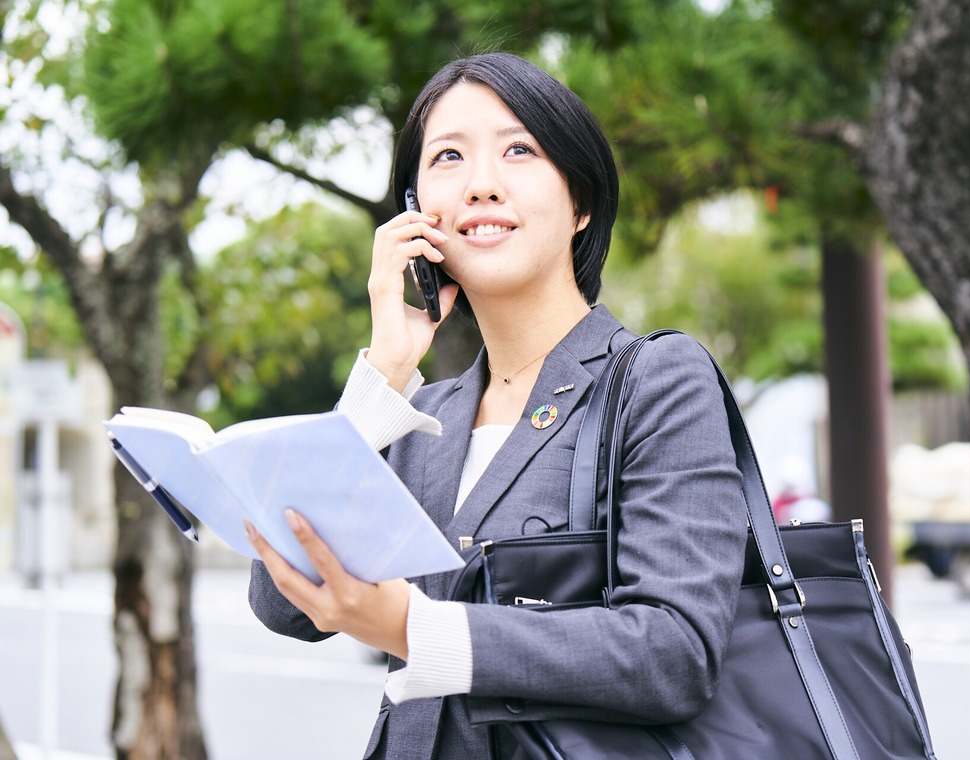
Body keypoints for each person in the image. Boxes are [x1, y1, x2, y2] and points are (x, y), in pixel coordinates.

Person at [246, 52, 747, 759]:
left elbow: (673, 653)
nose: (481, 184)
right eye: (448, 156)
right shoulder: (422, 417)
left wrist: (417, 629)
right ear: (417, 213)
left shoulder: (656, 381)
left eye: (519, 149)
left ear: (580, 203)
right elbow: (281, 603)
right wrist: (384, 370)